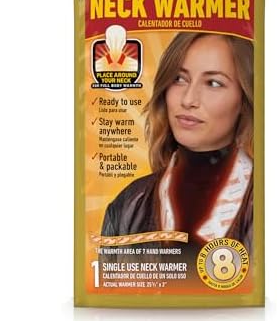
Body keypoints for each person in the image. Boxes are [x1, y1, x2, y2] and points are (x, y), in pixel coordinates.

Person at [100, 32, 254, 256]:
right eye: (179, 79)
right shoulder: (127, 205)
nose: (188, 100)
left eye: (213, 83)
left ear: (244, 99)